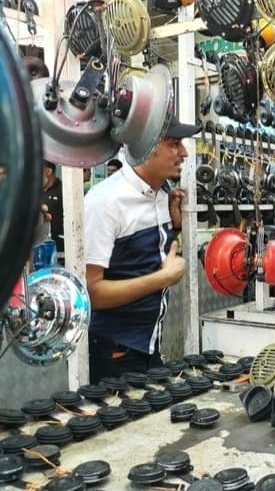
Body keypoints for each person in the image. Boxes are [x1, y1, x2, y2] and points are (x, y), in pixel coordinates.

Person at [84, 121, 199, 383]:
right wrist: (163, 278)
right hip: (114, 352)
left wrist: (174, 229)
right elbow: (92, 293)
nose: (184, 152)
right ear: (146, 146)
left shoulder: (162, 194)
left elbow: (141, 260)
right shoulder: (105, 203)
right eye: (174, 144)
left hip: (149, 346)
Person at [41, 161, 64, 256]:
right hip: (39, 247)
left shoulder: (63, 190)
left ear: (48, 171)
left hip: (60, 249)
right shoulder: (35, 191)